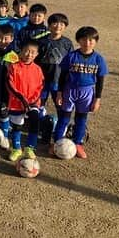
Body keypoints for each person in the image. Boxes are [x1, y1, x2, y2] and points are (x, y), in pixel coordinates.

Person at [52, 26, 108, 159]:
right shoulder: (71, 56)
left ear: (96, 41)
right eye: (84, 40)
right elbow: (62, 76)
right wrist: (60, 93)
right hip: (70, 90)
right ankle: (57, 143)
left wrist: (97, 99)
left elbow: (100, 81)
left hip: (87, 92)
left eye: (91, 40)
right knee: (64, 118)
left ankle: (77, 143)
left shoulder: (98, 59)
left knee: (81, 119)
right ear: (78, 40)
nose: (87, 43)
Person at [36, 13, 74, 143]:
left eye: (62, 24)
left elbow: (70, 63)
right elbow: (35, 61)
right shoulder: (42, 42)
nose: (58, 26)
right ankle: (40, 126)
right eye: (55, 23)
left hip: (59, 81)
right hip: (42, 80)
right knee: (39, 103)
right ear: (49, 25)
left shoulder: (67, 43)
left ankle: (61, 128)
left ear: (65, 27)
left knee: (60, 105)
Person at [6, 40, 44, 161]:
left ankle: (29, 148)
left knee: (35, 121)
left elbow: (40, 86)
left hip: (33, 102)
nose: (29, 55)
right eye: (26, 51)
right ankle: (16, 148)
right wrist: (21, 98)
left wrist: (32, 101)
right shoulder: (13, 67)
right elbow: (10, 84)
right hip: (17, 102)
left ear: (37, 54)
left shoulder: (38, 69)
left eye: (33, 52)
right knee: (17, 126)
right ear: (21, 52)